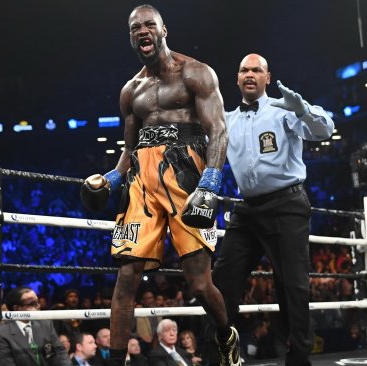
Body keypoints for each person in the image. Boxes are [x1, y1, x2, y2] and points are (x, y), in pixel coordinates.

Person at [80, 4, 238, 366]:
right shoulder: (130, 90)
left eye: (149, 25)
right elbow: (129, 149)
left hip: (188, 178)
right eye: (135, 28)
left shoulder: (196, 73)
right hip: (142, 184)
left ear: (164, 30)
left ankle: (226, 333)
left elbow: (219, 131)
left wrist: (211, 183)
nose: (142, 32)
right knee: (126, 278)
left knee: (199, 284)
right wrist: (109, 179)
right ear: (131, 38)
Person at [211, 53, 334, 366]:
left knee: (293, 285)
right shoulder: (227, 119)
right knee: (223, 278)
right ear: (237, 79)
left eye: (257, 70)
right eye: (244, 70)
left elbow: (325, 130)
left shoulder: (284, 109)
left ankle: (299, 358)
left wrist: (303, 110)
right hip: (248, 208)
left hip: (287, 205)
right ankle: (218, 353)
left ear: (267, 77)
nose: (250, 74)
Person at [0, 286, 71, 365]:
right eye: (32, 304)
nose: (38, 306)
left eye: (38, 302)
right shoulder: (1, 334)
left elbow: (59, 352)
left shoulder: (45, 323)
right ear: (16, 308)